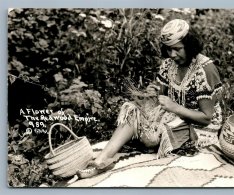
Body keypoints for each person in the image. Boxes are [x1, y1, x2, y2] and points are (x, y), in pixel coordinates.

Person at [77, 19, 223, 178]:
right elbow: (161, 92)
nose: (172, 55)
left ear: (190, 46)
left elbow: (206, 118)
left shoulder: (204, 70)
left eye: (177, 49)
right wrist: (151, 92)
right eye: (168, 50)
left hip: (197, 125)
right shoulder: (169, 64)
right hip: (175, 113)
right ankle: (102, 160)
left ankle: (151, 141)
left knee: (152, 138)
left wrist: (175, 107)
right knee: (132, 111)